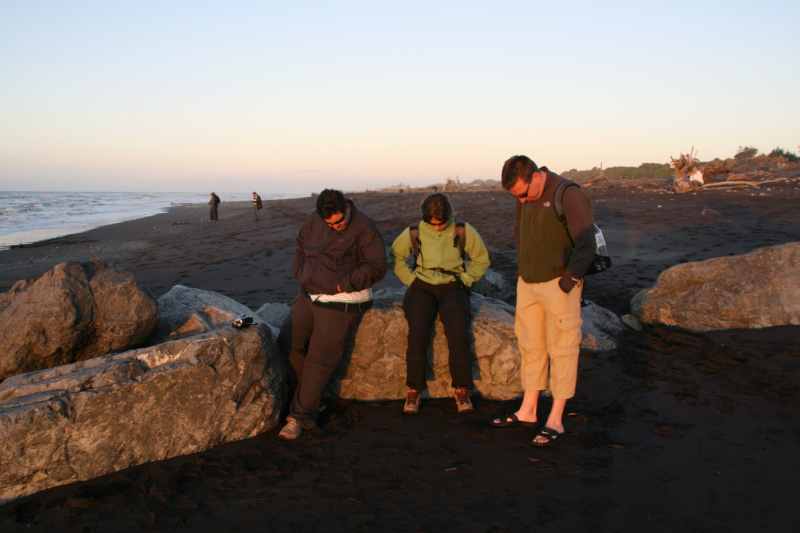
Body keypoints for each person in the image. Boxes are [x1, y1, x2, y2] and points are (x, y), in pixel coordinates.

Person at [492, 155, 596, 447]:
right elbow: (522, 233)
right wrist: (523, 272)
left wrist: (568, 281)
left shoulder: (569, 194)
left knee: (562, 349)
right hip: (528, 284)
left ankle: (555, 419)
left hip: (559, 285)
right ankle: (528, 409)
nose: (522, 201)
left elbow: (587, 243)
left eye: (523, 194)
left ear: (537, 175)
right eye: (516, 197)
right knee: (530, 346)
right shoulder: (524, 196)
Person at [278, 189, 387, 440]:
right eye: (331, 223)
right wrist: (300, 273)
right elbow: (300, 246)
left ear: (346, 208)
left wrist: (345, 284)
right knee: (288, 343)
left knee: (320, 358)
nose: (336, 226)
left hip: (343, 300)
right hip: (310, 294)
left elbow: (378, 266)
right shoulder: (312, 222)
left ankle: (299, 417)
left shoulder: (364, 228)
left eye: (340, 221)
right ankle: (312, 399)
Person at [391, 193, 490, 414]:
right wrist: (410, 280)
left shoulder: (463, 230)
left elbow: (482, 259)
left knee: (457, 333)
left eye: (441, 224)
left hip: (452, 285)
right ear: (424, 219)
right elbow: (395, 257)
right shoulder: (414, 232)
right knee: (417, 333)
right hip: (422, 285)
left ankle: (461, 389)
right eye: (432, 224)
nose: (437, 228)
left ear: (449, 217)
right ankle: (413, 390)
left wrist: (465, 279)